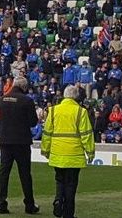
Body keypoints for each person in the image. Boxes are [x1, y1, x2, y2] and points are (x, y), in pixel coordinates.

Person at [41, 85, 94, 218]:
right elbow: (86, 134)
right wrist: (90, 152)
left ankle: (58, 200)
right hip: (74, 154)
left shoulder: (53, 110)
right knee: (71, 185)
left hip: (57, 153)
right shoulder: (81, 112)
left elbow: (47, 132)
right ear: (76, 97)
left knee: (59, 181)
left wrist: (45, 150)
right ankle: (68, 214)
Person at [0, 80, 40, 215]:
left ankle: (1, 203)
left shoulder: (2, 100)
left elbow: (0, 118)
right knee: (25, 174)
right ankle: (29, 204)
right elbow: (33, 122)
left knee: (4, 172)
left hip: (5, 140)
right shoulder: (27, 101)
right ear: (24, 87)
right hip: (21, 141)